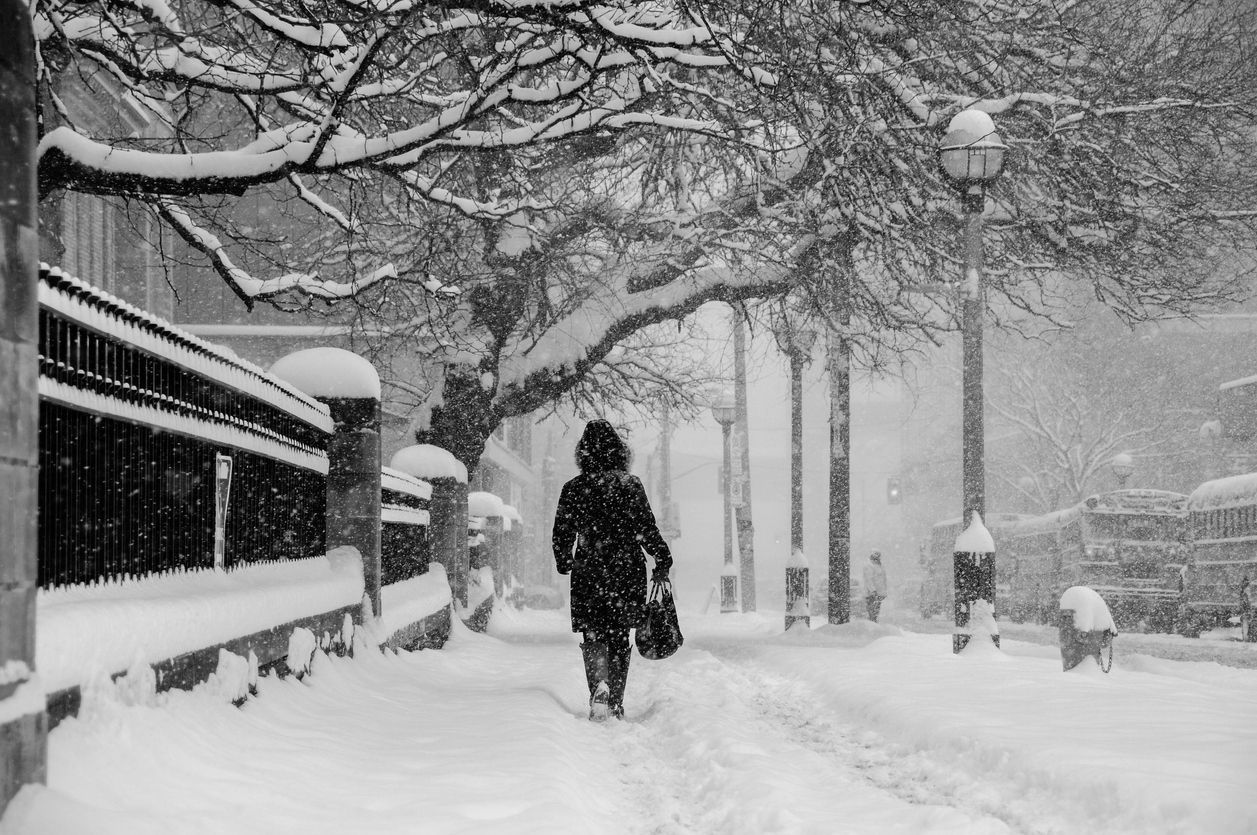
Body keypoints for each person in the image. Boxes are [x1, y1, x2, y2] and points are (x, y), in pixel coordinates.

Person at [552, 420, 672, 721]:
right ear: (619, 451)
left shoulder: (574, 488)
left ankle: (598, 688)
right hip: (626, 569)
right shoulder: (630, 485)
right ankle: (616, 700)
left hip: (589, 568)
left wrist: (564, 559)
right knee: (619, 634)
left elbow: (562, 531)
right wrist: (662, 557)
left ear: (584, 453)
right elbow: (646, 528)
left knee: (593, 632)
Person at [863, 550, 888, 622]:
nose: (877, 558)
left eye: (878, 556)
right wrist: (873, 591)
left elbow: (883, 579)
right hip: (872, 593)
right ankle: (872, 625)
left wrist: (884, 592)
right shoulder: (869, 565)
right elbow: (868, 580)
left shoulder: (880, 565)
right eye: (875, 556)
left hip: (879, 593)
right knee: (872, 611)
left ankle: (874, 624)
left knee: (876, 611)